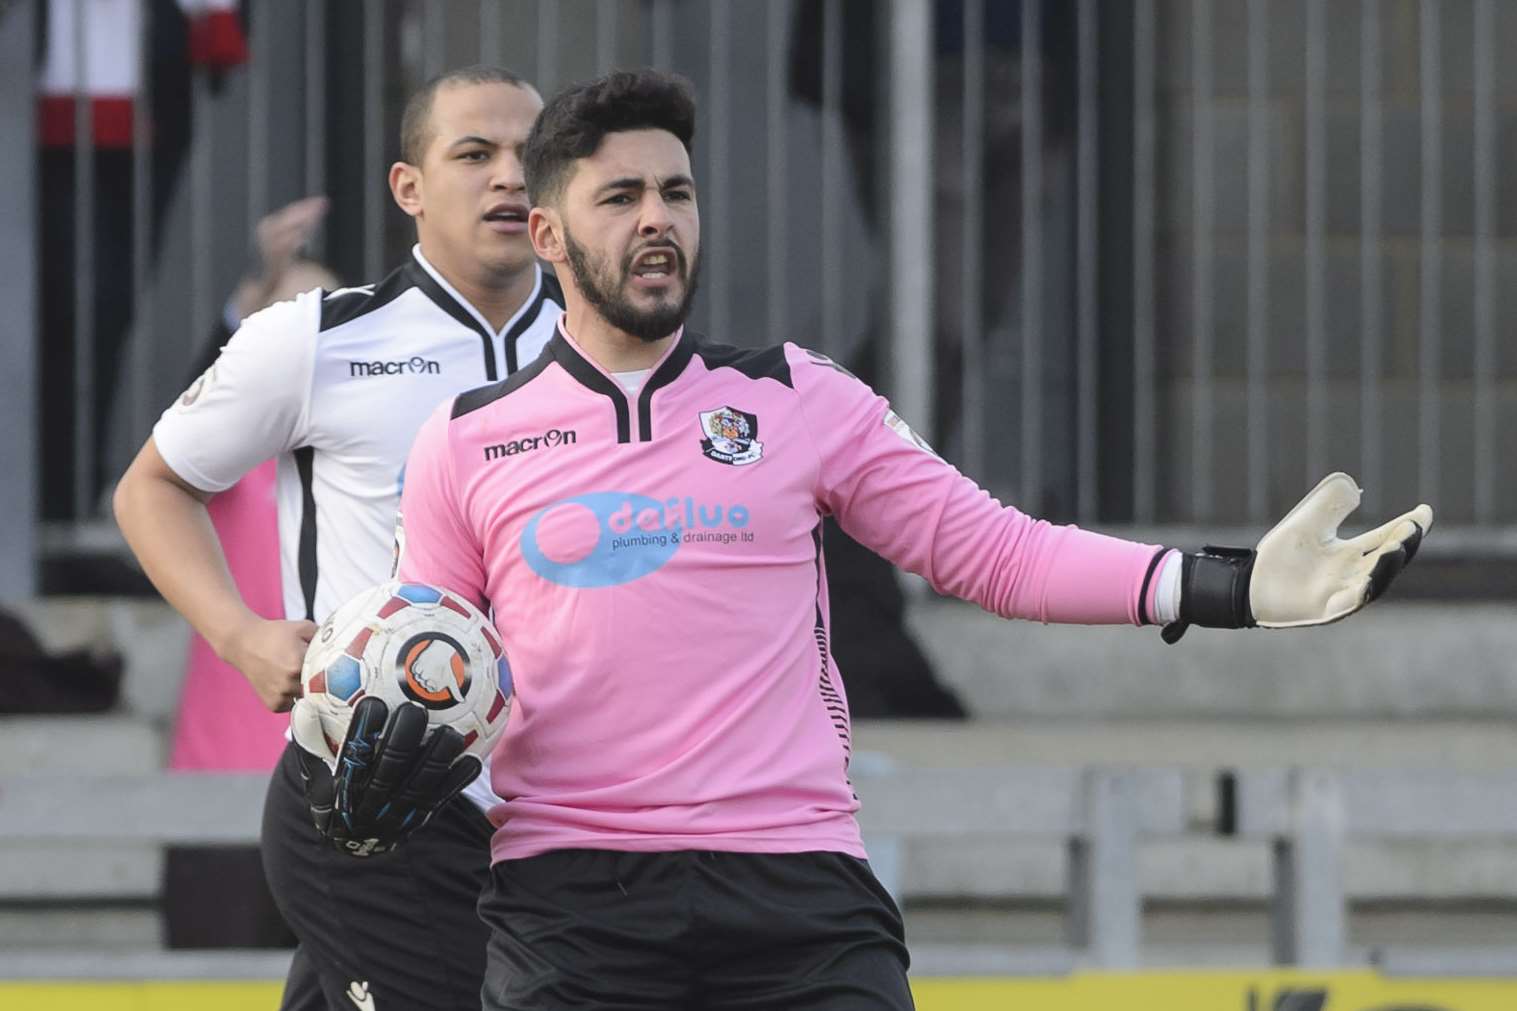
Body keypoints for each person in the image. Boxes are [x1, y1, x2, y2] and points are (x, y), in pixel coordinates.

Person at [376, 69, 1432, 1010]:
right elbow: (429, 666)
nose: (657, 220)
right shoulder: (465, 442)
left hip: (794, 889)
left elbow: (997, 552)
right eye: (620, 197)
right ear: (549, 234)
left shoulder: (799, 396)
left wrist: (1224, 587)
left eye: (676, 193)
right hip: (571, 899)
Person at [113, 65, 563, 1010]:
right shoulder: (313, 341)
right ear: (409, 188)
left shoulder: (612, 355)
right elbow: (151, 489)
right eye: (474, 154)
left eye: (530, 155)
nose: (509, 179)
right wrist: (241, 634)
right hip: (375, 787)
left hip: (563, 811)